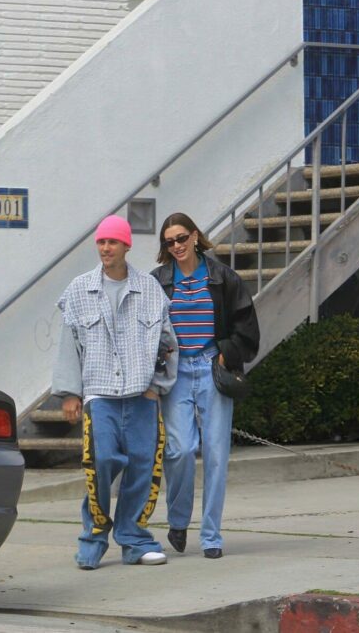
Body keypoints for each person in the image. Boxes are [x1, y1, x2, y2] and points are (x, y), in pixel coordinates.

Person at [52, 215, 179, 570]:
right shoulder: (79, 289)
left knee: (142, 466)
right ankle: (93, 538)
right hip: (100, 394)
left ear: (126, 245)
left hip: (141, 394)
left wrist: (158, 385)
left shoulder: (149, 290)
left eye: (112, 242)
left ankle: (135, 540)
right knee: (102, 462)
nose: (106, 248)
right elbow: (69, 345)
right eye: (101, 242)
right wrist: (69, 393)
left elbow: (167, 342)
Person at [151, 212, 259, 559]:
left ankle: (211, 535)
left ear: (196, 236)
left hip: (212, 369)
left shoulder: (222, 278)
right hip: (176, 373)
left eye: (182, 238)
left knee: (216, 455)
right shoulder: (158, 281)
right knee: (179, 450)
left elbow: (246, 326)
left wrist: (226, 356)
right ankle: (179, 519)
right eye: (170, 242)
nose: (177, 246)